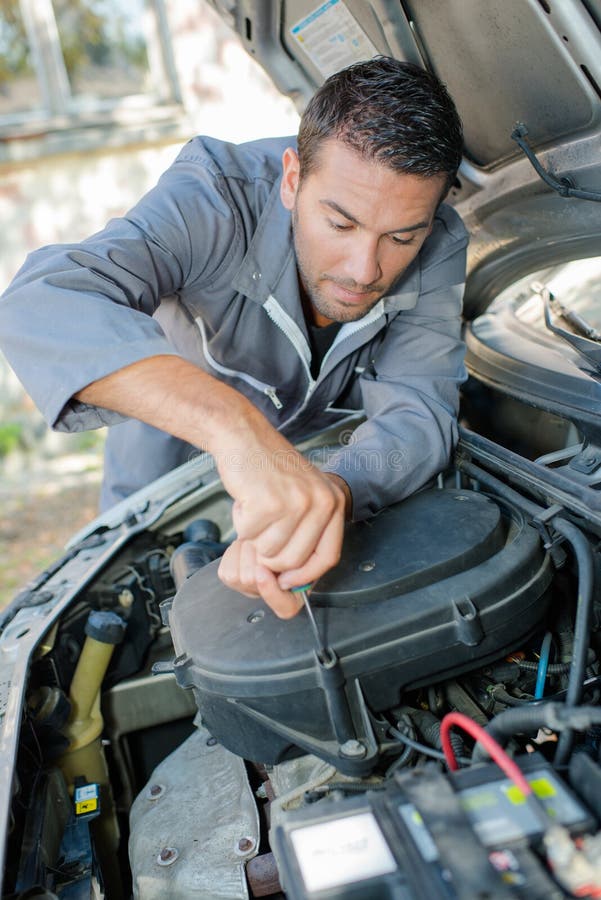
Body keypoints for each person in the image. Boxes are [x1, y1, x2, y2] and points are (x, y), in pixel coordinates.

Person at [0, 57, 467, 619]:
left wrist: (331, 494)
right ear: (292, 180)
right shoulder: (214, 197)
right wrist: (237, 432)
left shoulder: (440, 243)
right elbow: (45, 300)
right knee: (133, 601)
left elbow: (419, 410)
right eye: (341, 224)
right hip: (166, 454)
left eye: (400, 238)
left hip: (316, 460)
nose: (364, 269)